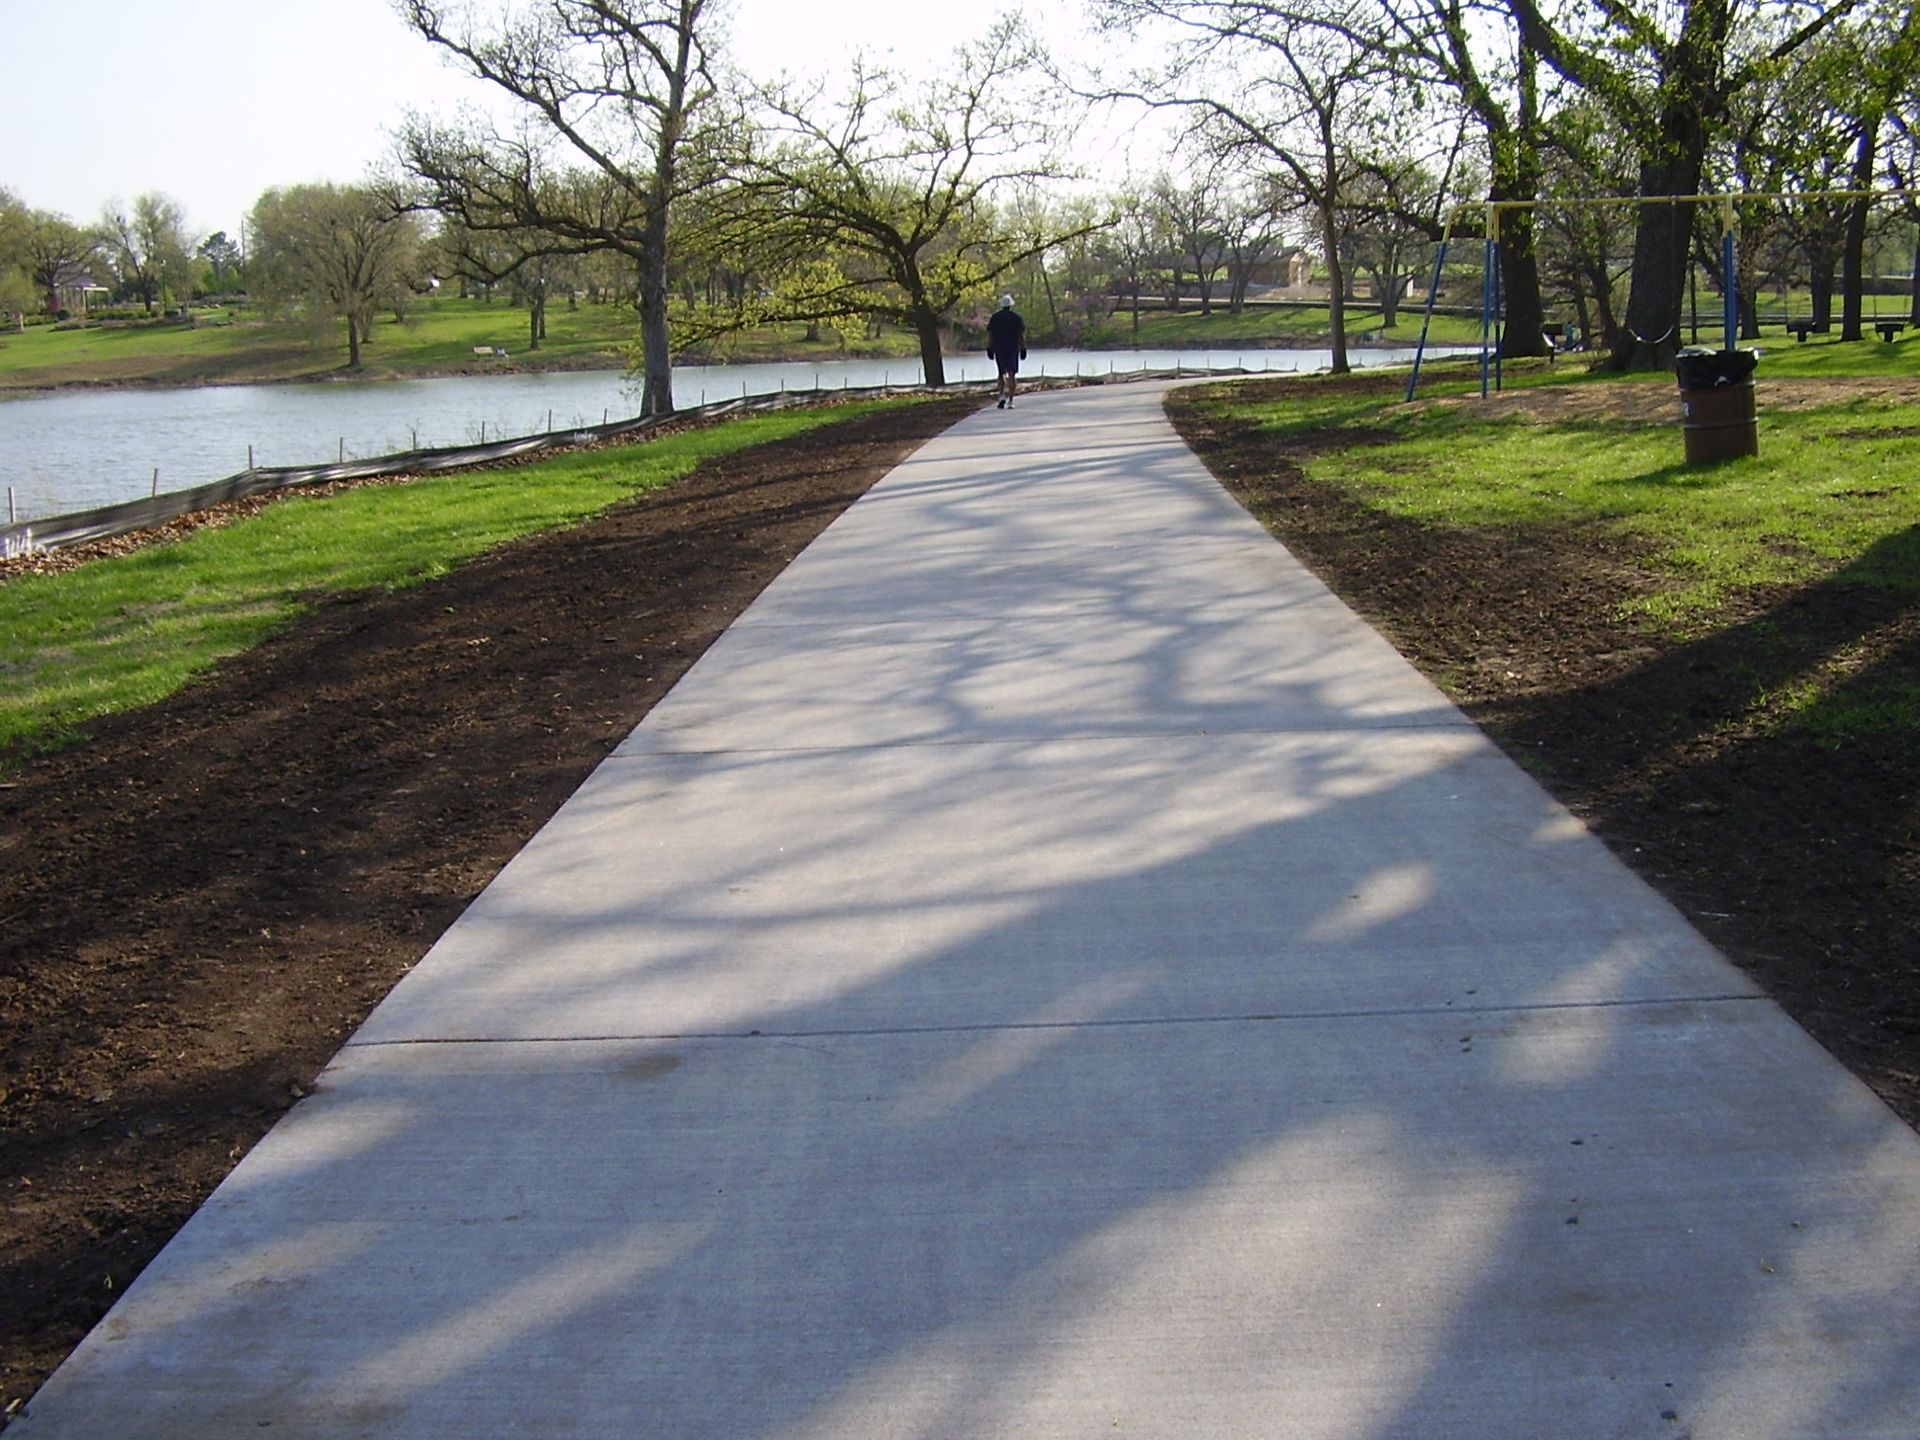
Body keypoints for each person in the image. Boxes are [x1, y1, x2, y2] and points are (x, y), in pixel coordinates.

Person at [986, 294, 1026, 408]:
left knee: (1000, 373)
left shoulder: (995, 318)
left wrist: (989, 348)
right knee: (1012, 374)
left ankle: (1001, 395)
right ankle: (1011, 401)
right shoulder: (1017, 318)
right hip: (1013, 348)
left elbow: (990, 334)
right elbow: (1020, 335)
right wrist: (1023, 348)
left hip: (999, 348)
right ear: (1011, 305)